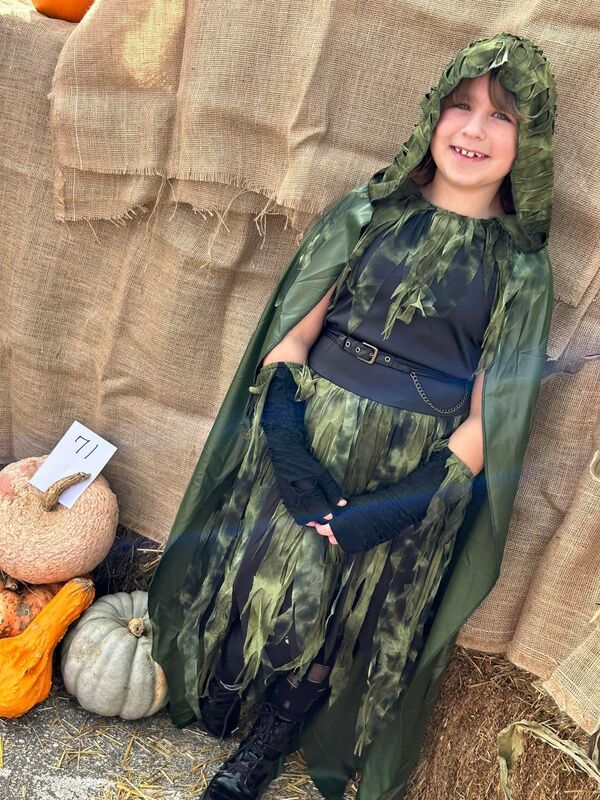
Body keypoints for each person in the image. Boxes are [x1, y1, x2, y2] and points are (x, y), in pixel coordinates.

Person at [148, 32, 556, 800]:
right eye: (460, 107)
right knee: (272, 577)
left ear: (528, 141)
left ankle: (268, 745)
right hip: (310, 431)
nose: (473, 131)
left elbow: (490, 418)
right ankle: (231, 693)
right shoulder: (367, 213)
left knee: (345, 607)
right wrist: (286, 443)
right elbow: (294, 333)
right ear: (432, 116)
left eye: (501, 117)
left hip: (410, 469)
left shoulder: (520, 268)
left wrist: (391, 507)